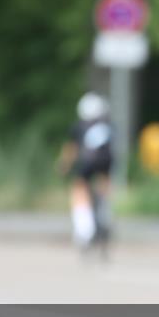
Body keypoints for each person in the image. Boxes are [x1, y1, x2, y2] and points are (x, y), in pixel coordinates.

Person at [58, 92, 113, 249]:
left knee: (79, 190)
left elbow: (72, 148)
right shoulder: (107, 126)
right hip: (106, 163)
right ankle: (104, 214)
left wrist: (64, 165)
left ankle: (84, 230)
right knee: (103, 189)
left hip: (86, 163)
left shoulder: (79, 126)